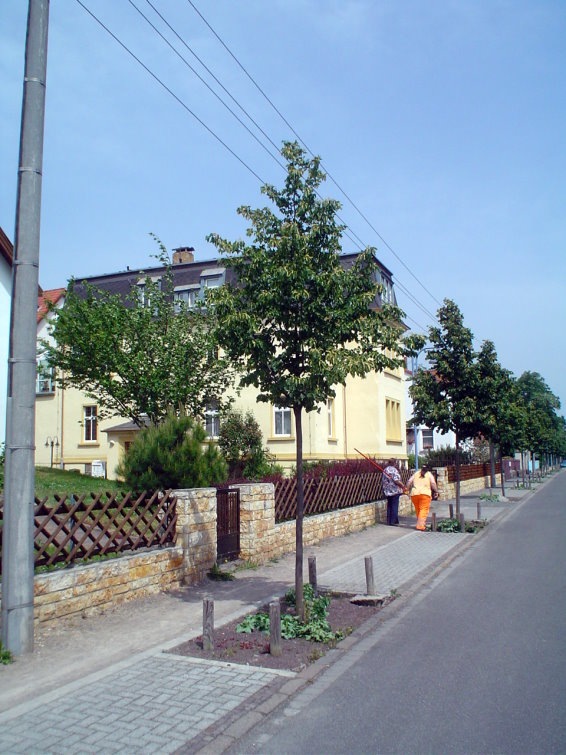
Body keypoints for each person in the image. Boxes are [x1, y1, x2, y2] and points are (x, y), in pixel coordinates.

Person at [406, 464, 438, 531]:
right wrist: (436, 491)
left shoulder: (416, 473)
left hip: (414, 494)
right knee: (423, 510)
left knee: (418, 510)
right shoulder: (429, 474)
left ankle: (421, 523)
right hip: (425, 494)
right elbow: (433, 483)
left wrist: (407, 490)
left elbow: (409, 481)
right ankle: (420, 526)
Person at [382, 458, 404, 526]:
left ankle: (389, 520)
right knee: (394, 505)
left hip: (387, 491)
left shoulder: (385, 470)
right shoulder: (394, 470)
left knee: (389, 505)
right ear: (394, 463)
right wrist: (403, 486)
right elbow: (396, 480)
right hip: (394, 491)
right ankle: (393, 521)